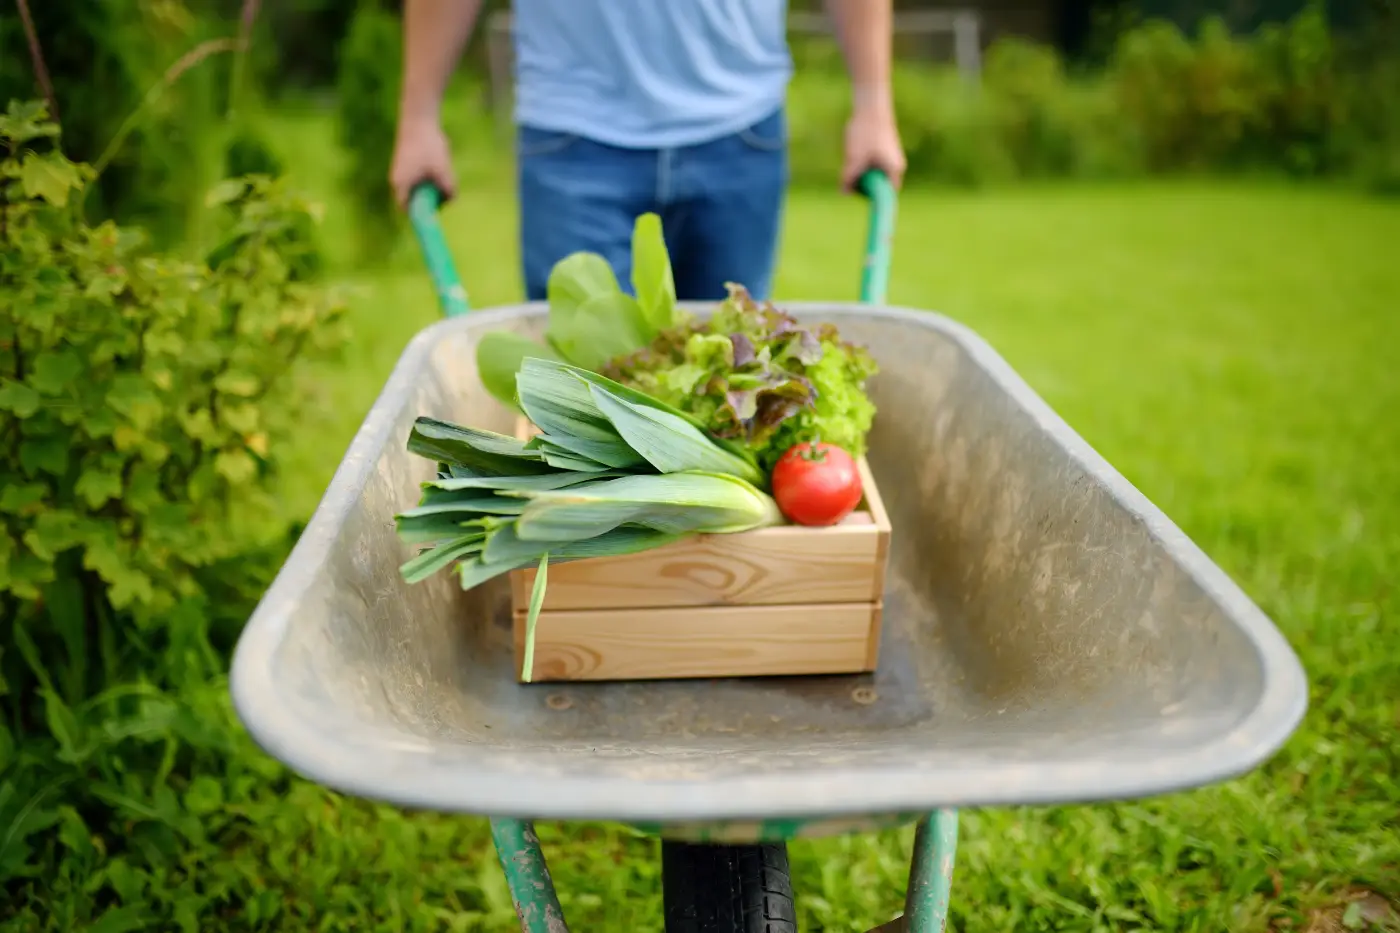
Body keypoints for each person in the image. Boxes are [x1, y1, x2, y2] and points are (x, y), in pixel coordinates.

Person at [389, 0, 906, 303]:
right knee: (586, 404)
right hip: (575, 131)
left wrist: (874, 103)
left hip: (740, 127)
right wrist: (417, 117)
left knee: (733, 385)